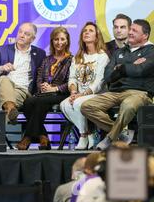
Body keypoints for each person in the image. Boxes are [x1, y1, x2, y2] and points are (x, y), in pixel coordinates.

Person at [81, 19, 154, 150]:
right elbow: (108, 76)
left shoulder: (151, 51)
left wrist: (120, 68)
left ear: (145, 35)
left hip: (140, 93)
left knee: (128, 105)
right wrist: (128, 67)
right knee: (87, 106)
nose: (130, 33)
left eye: (134, 31)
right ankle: (121, 133)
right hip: (115, 92)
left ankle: (110, 138)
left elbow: (141, 70)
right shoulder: (119, 52)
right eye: (130, 29)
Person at [17, 27, 72, 150]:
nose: (59, 42)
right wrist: (42, 87)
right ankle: (43, 137)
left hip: (61, 94)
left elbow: (71, 82)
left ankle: (27, 137)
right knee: (29, 102)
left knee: (35, 102)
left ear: (67, 41)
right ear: (52, 41)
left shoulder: (71, 60)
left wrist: (54, 88)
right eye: (56, 39)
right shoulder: (47, 59)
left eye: (62, 39)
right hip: (44, 94)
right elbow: (39, 77)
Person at [60, 22, 109, 150]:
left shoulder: (102, 56)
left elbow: (99, 82)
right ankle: (89, 134)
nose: (86, 32)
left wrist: (81, 95)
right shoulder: (77, 57)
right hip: (79, 94)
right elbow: (72, 78)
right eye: (84, 31)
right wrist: (73, 92)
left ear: (97, 36)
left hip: (97, 94)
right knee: (64, 105)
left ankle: (82, 136)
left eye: (90, 30)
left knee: (77, 103)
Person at [0, 22, 46, 124]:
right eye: (20, 32)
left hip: (23, 89)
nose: (22, 35)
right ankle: (11, 109)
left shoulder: (40, 54)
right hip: (4, 86)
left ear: (32, 39)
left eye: (27, 34)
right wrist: (2, 68)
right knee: (3, 79)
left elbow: (42, 75)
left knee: (0, 103)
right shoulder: (2, 50)